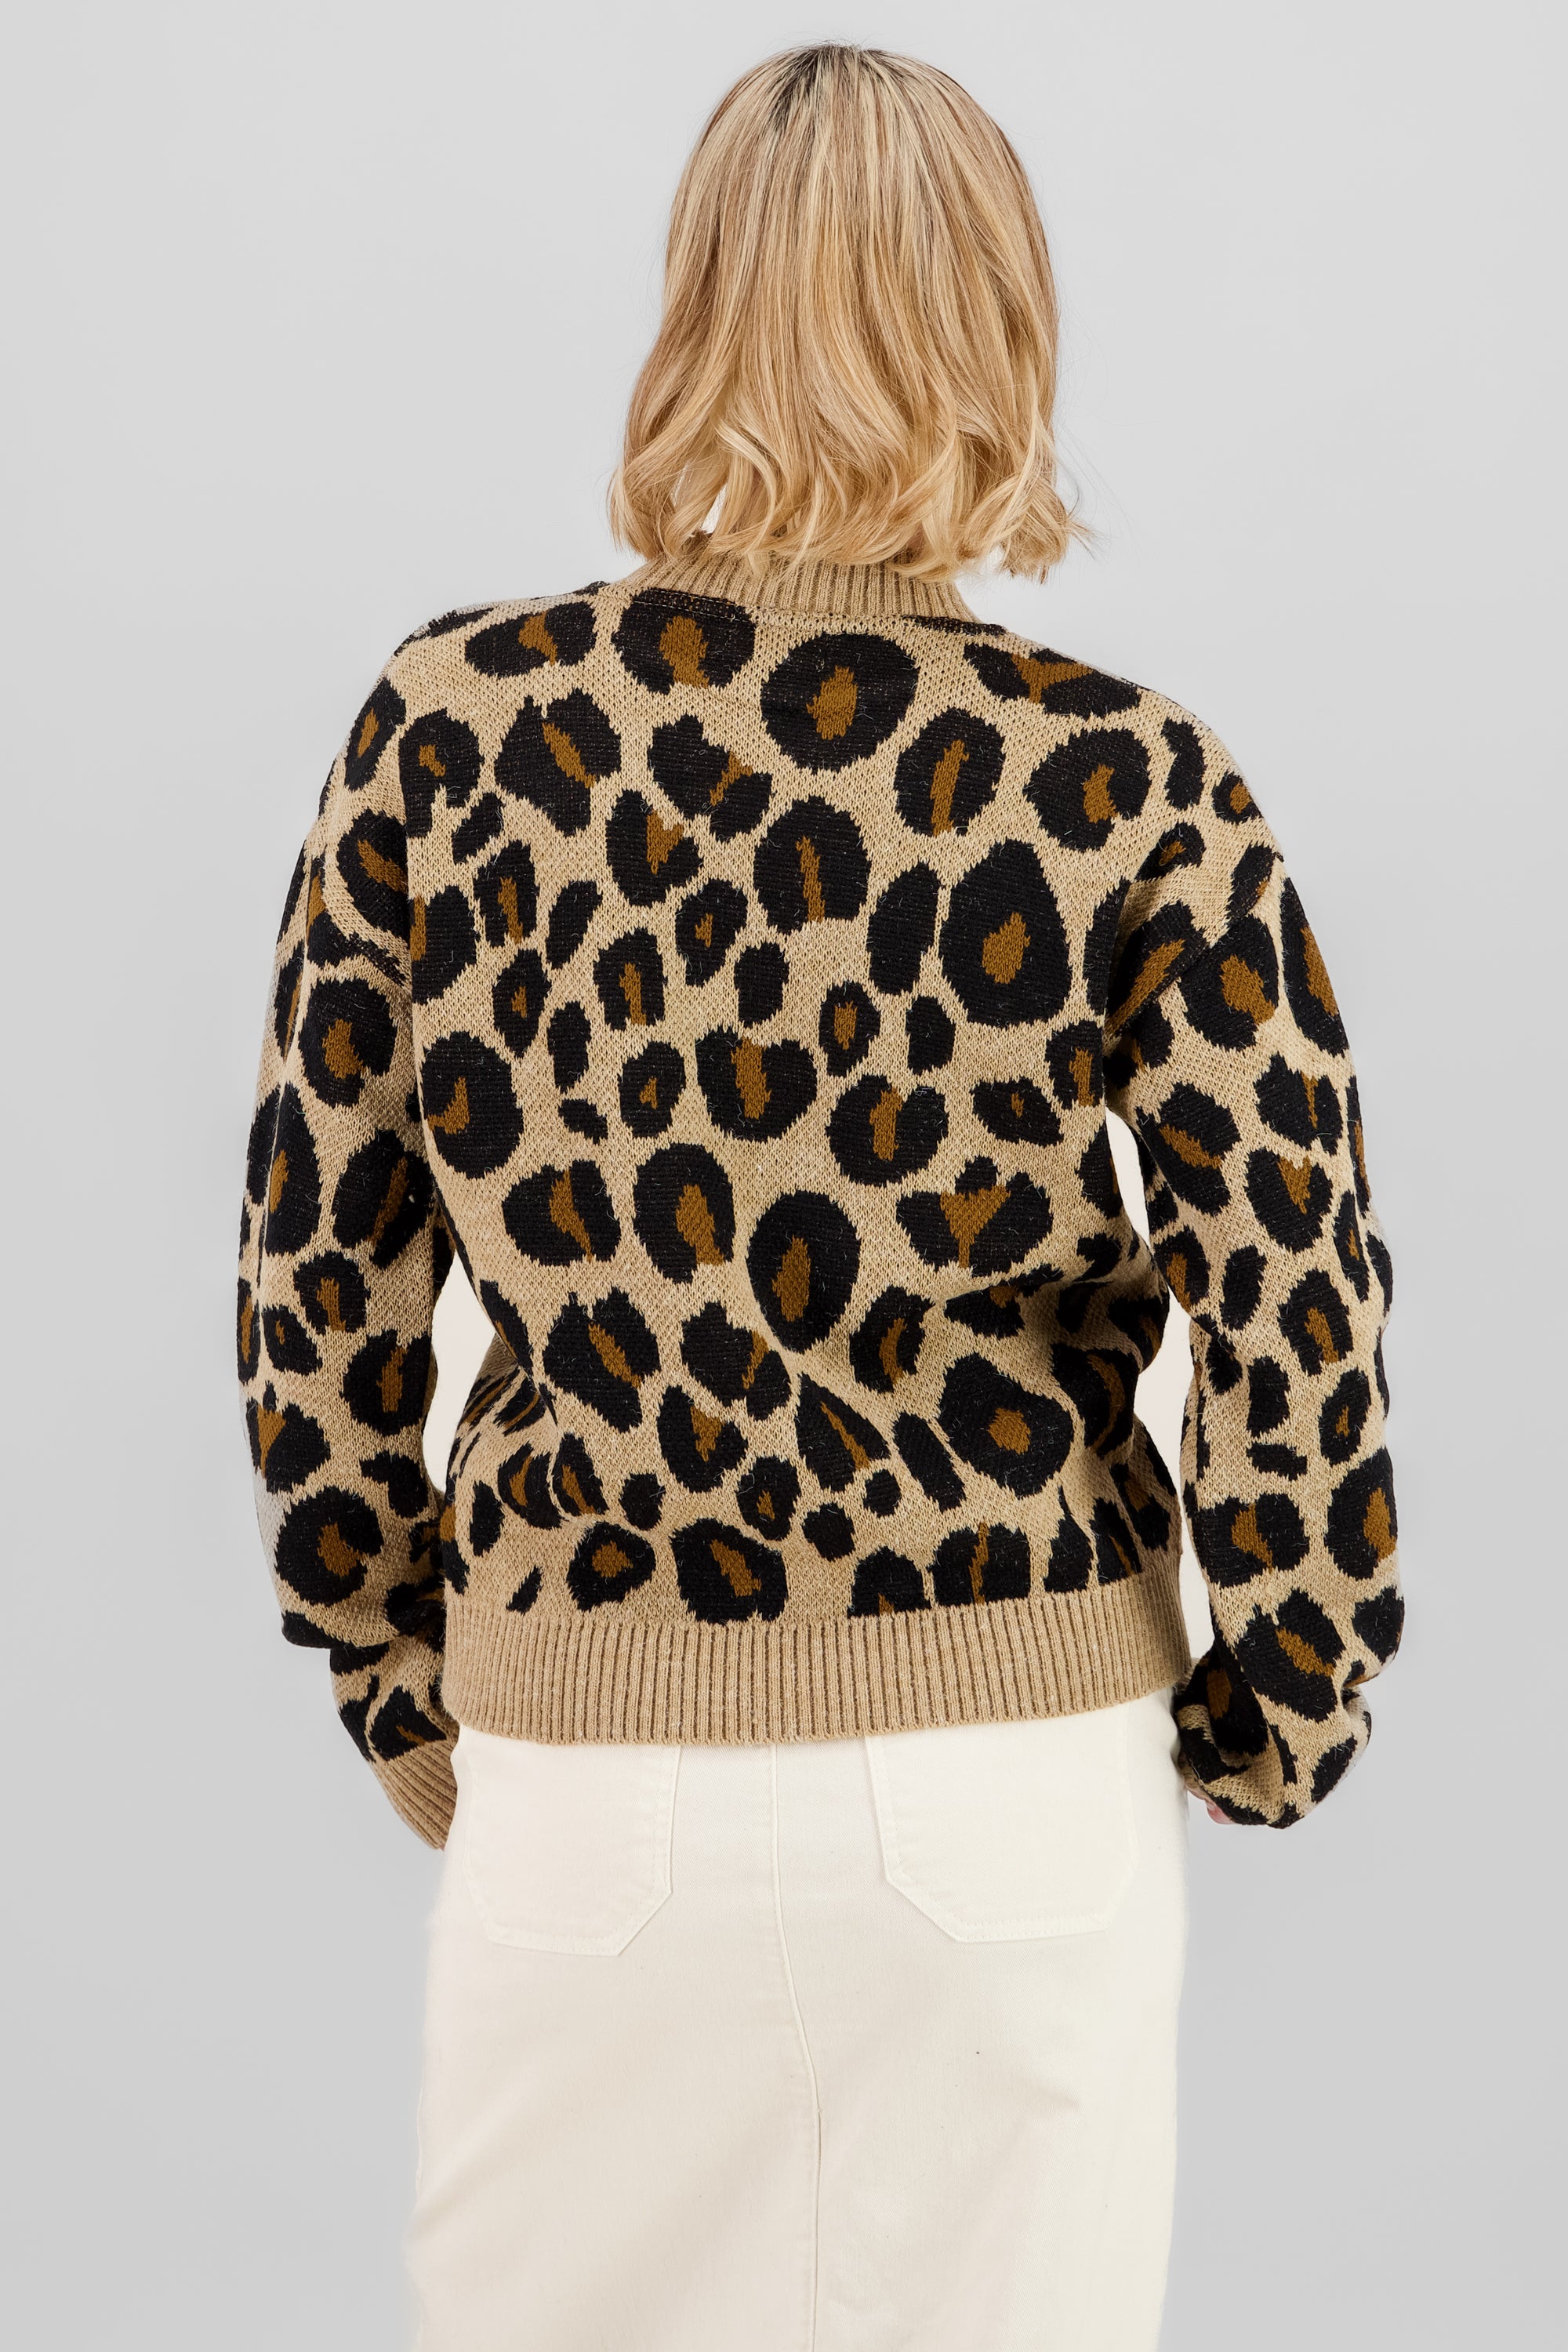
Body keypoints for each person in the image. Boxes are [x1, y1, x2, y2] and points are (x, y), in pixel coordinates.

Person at [238, 42, 1400, 2352]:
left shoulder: (446, 732)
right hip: (1013, 1778)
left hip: (588, 1780)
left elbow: (315, 1281)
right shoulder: (1128, 781)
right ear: (1005, 327)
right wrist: (1282, 1704)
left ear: (691, 308)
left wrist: (399, 1679)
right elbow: (1296, 1300)